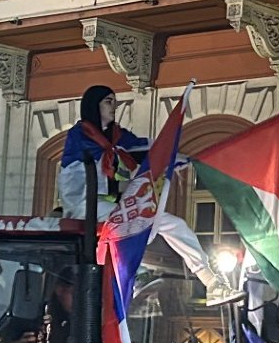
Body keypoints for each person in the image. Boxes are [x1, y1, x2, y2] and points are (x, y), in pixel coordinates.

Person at [58, 85, 245, 307]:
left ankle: (211, 281)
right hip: (86, 208)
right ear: (93, 105)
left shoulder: (118, 137)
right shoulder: (80, 135)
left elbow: (151, 150)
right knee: (152, 223)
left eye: (114, 102)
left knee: (176, 224)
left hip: (111, 209)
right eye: (108, 102)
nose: (113, 107)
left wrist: (181, 158)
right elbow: (92, 170)